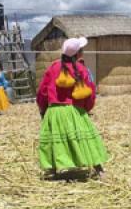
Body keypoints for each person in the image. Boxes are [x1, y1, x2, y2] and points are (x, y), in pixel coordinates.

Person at [36, 37, 107, 177]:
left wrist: (43, 109)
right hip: (75, 110)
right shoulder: (82, 69)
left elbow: (42, 91)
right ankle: (98, 169)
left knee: (54, 140)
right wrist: (86, 109)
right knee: (87, 139)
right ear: (78, 54)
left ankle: (51, 169)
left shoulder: (53, 67)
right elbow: (89, 92)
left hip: (54, 112)